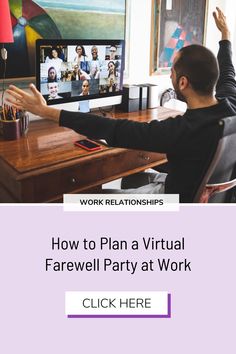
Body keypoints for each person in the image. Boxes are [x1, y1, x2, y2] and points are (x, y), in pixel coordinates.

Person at [6, 8, 236, 202]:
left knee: (86, 200)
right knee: (134, 177)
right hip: (198, 192)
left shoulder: (182, 131)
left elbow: (116, 130)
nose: (170, 77)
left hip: (171, 201)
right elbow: (228, 72)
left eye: (173, 72)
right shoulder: (230, 106)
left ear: (183, 82)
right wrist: (225, 35)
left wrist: (44, 110)